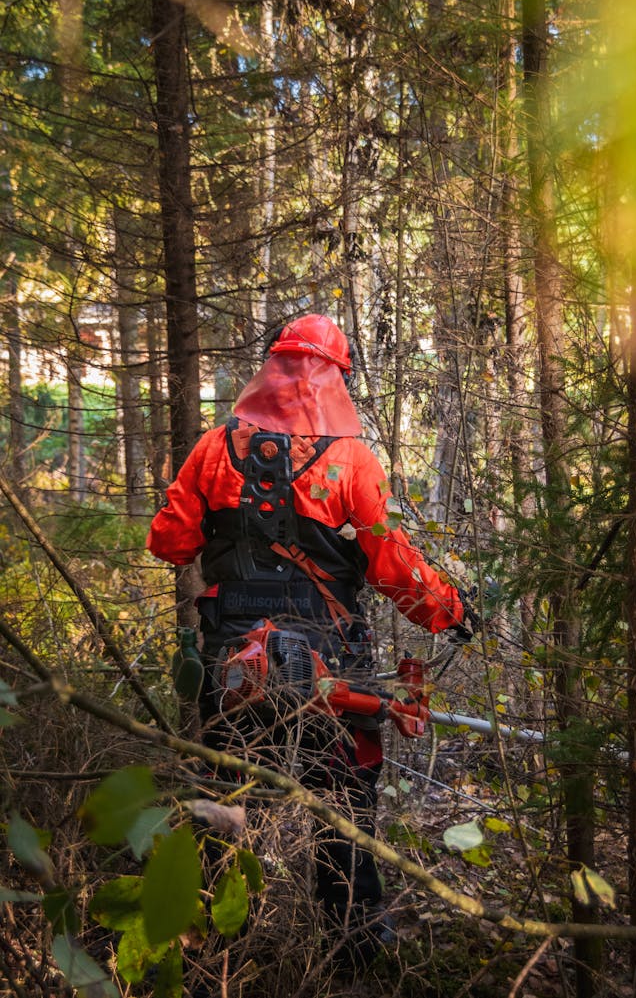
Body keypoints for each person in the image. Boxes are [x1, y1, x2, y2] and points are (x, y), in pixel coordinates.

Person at [147, 313, 476, 973]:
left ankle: (215, 950)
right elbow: (391, 562)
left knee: (229, 793)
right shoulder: (350, 460)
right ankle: (354, 948)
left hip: (235, 660)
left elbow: (168, 540)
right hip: (336, 662)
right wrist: (449, 611)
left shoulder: (215, 448)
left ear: (270, 368)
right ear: (337, 378)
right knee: (346, 798)